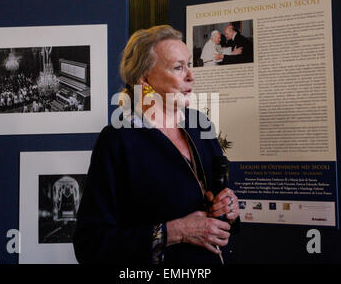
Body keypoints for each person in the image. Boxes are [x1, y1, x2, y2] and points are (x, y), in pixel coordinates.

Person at [73, 25, 240, 264]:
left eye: (189, 65)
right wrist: (176, 232)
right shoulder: (118, 140)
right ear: (145, 77)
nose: (191, 76)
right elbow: (91, 244)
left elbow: (219, 204)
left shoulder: (199, 124)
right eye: (177, 67)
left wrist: (230, 209)